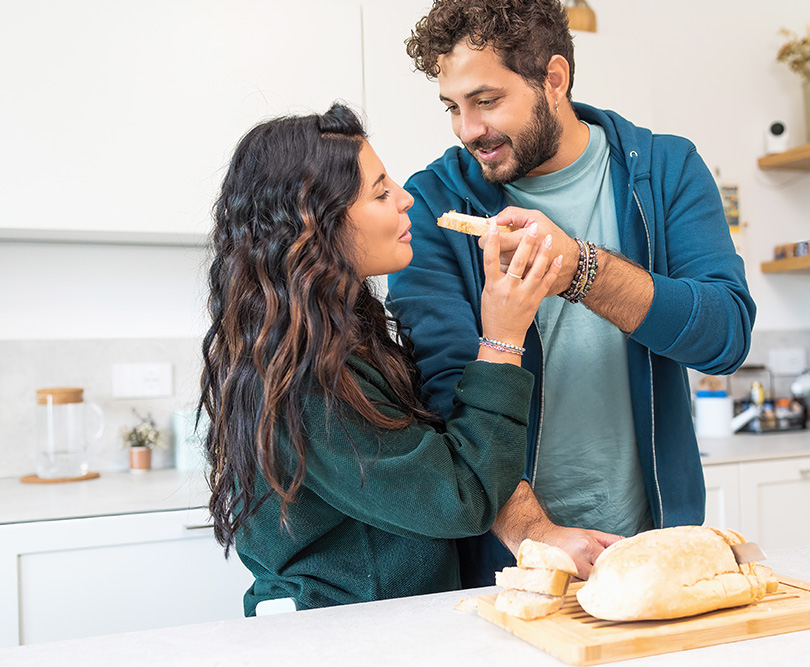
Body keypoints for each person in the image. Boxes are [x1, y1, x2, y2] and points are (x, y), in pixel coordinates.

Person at [386, 0, 756, 586]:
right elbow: (443, 396)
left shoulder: (666, 170)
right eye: (452, 107)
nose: (467, 130)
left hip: (655, 544)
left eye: (487, 101)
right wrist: (534, 534)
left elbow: (726, 337)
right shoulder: (432, 202)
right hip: (514, 559)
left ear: (554, 79)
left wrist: (582, 271)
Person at [199, 102, 563, 615]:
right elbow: (464, 497)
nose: (405, 197)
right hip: (340, 636)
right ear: (316, 223)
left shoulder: (335, 335)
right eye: (380, 192)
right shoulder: (306, 380)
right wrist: (503, 337)